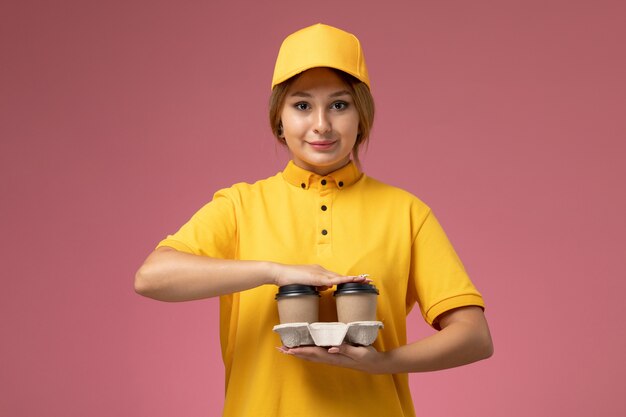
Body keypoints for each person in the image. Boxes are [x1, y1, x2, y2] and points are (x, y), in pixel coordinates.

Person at [135, 23, 493, 417]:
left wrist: (384, 363)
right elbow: (151, 277)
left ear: (362, 116)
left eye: (339, 105)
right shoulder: (240, 205)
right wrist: (276, 272)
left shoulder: (406, 212)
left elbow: (474, 337)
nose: (321, 124)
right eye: (302, 105)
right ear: (279, 120)